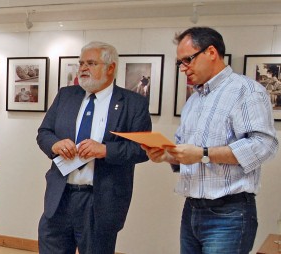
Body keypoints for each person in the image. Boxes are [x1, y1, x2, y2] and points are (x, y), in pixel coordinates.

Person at [142, 27, 278, 254]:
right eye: (180, 63)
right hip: (192, 209)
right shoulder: (194, 100)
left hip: (230, 214)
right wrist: (167, 156)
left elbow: (264, 145)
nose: (183, 68)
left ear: (212, 52)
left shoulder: (246, 90)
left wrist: (204, 153)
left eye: (188, 60)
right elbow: (186, 151)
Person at [36, 41, 151, 254]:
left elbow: (143, 149)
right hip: (60, 197)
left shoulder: (133, 103)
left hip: (99, 201)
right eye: (81, 63)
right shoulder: (66, 95)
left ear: (110, 68)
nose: (83, 68)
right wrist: (55, 144)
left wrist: (106, 150)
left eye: (90, 63)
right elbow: (44, 133)